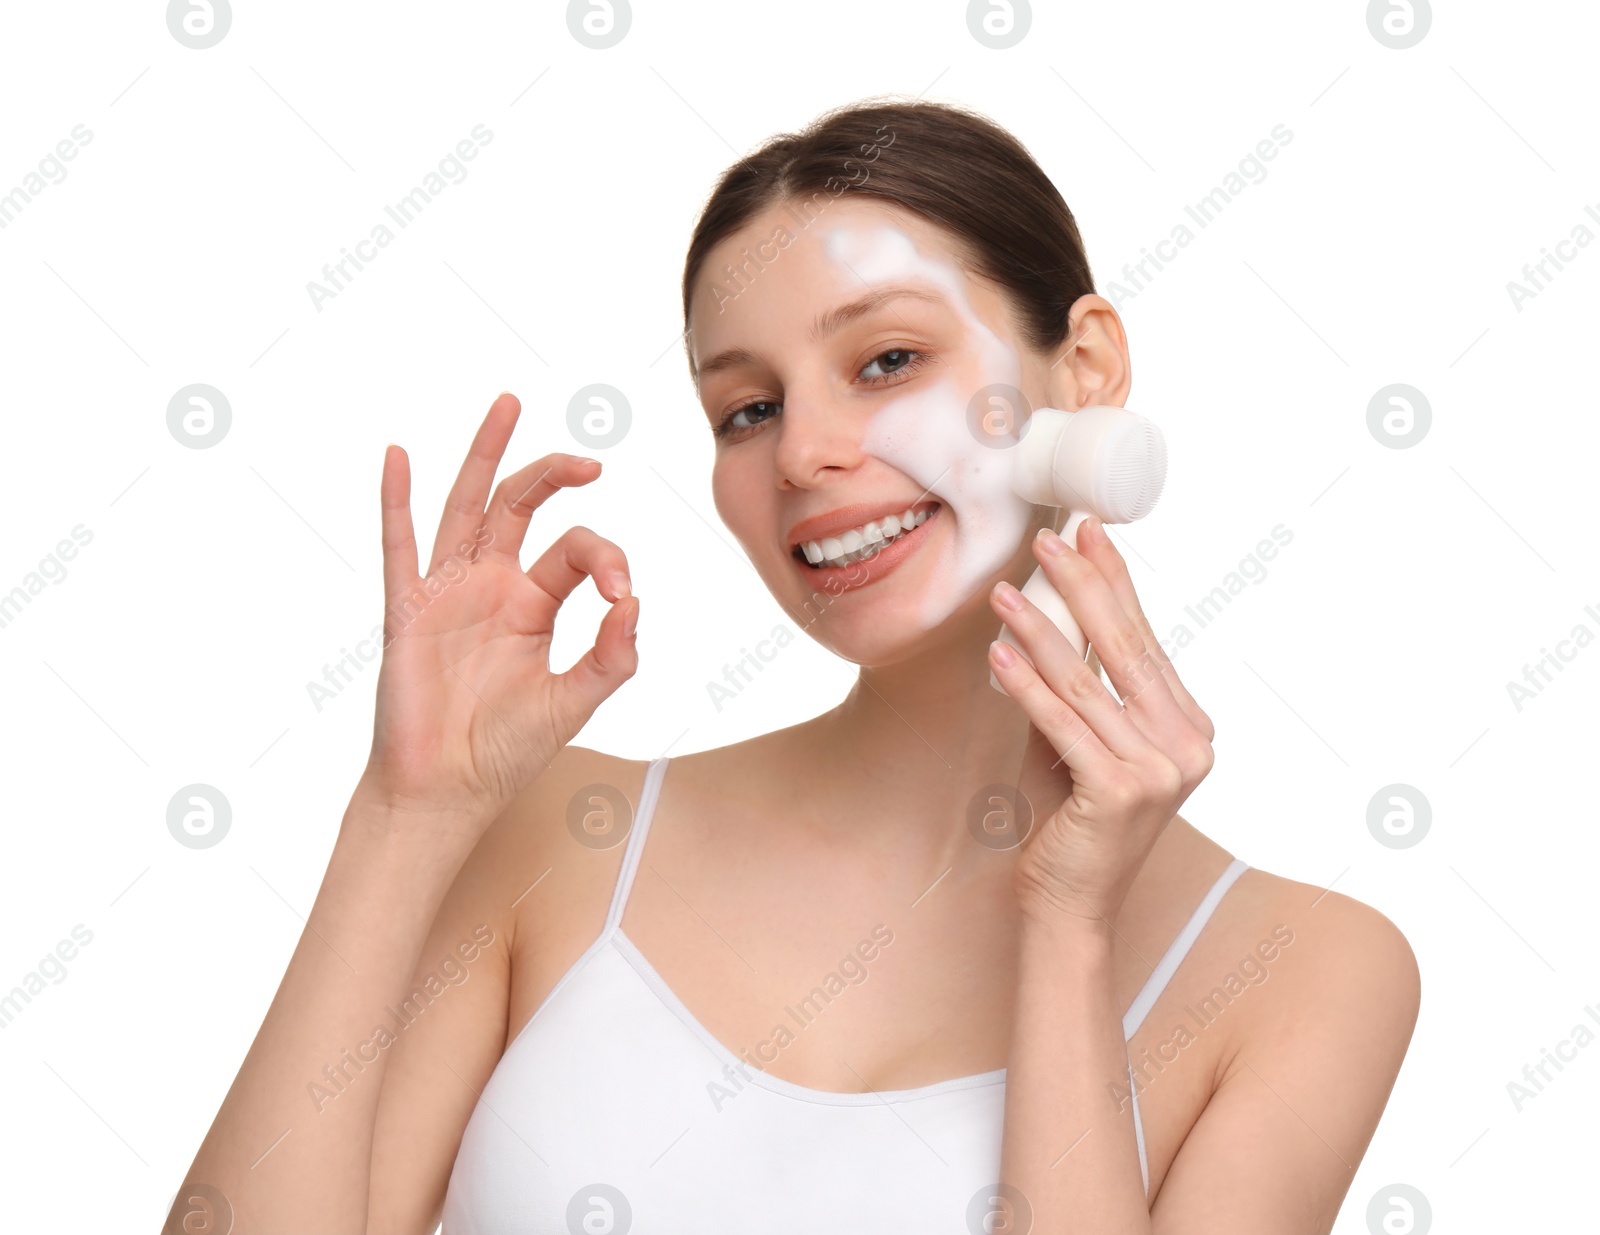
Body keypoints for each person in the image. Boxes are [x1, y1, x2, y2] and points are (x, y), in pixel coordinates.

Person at [166, 97, 1419, 1235]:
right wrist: (405, 816)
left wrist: (1069, 926)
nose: (804, 453)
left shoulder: (1307, 971)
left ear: (1083, 369)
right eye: (745, 409)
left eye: (886, 360)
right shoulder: (561, 832)